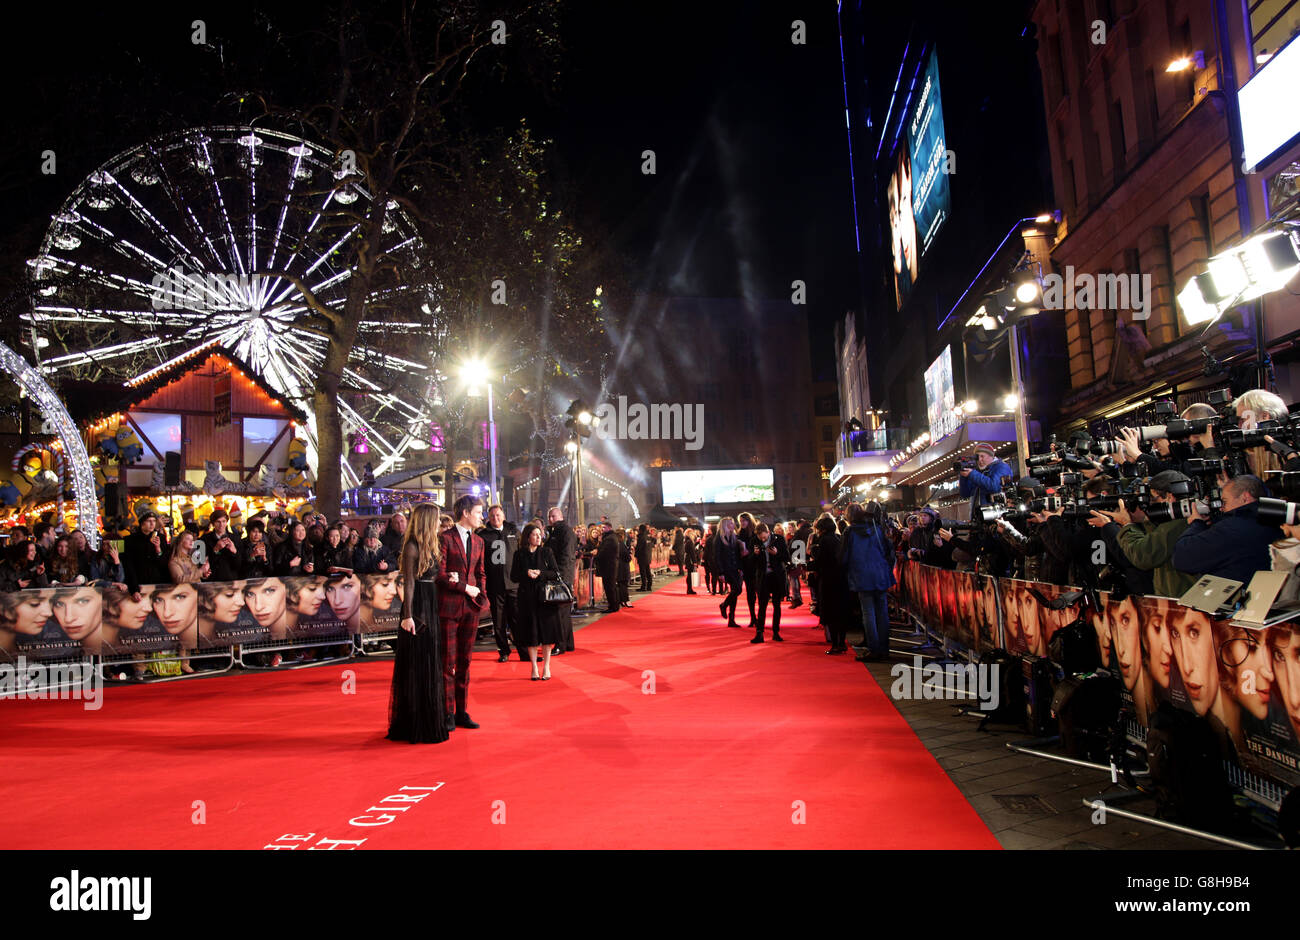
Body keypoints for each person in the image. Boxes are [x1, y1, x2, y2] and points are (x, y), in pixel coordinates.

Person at [389, 502, 448, 744]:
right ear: (426, 521)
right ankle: (416, 723)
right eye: (435, 519)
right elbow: (409, 583)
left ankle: (431, 718)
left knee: (432, 661)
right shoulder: (412, 546)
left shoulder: (433, 545)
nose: (439, 524)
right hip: (419, 606)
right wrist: (407, 615)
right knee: (419, 663)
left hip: (432, 602)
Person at [437, 495, 487, 732]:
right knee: (448, 663)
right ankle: (447, 713)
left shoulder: (479, 541)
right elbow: (440, 574)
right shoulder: (444, 538)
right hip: (449, 607)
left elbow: (481, 572)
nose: (481, 516)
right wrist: (464, 588)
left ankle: (461, 711)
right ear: (466, 513)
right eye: (478, 512)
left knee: (465, 662)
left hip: (471, 608)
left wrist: (481, 596)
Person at [1173, 474, 1277, 585]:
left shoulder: (1233, 529)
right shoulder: (1274, 518)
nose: (1222, 508)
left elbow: (1182, 558)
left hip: (1237, 597)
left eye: (1225, 501)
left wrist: (1196, 523)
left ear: (1245, 498)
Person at [1108, 470, 1197, 599]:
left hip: (1184, 602)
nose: (1149, 504)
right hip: (1178, 598)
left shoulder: (1179, 523)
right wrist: (1147, 519)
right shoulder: (1176, 520)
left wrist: (1126, 525)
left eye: (1153, 499)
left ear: (1169, 497)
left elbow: (1144, 555)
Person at [511, 522, 564, 680]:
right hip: (527, 599)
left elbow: (555, 573)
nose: (538, 537)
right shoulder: (519, 554)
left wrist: (540, 573)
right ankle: (534, 667)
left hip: (545, 598)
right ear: (527, 537)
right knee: (531, 634)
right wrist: (526, 573)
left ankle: (546, 666)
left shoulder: (547, 552)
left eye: (539, 534)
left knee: (547, 634)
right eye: (534, 534)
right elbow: (513, 576)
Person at [843, 502, 895, 658]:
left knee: (868, 614)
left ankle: (873, 648)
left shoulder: (850, 532)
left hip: (861, 575)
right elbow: (888, 551)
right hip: (880, 574)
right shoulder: (877, 529)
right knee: (882, 612)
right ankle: (884, 648)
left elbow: (844, 557)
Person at [477, 505, 517, 663]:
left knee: (517, 619)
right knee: (498, 621)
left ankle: (523, 650)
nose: (495, 518)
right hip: (495, 586)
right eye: (492, 516)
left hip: (514, 584)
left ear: (504, 515)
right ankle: (503, 651)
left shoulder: (514, 531)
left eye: (498, 515)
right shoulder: (482, 535)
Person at [809, 514, 852, 652]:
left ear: (822, 529)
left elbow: (821, 560)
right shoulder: (838, 538)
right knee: (841, 613)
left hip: (828, 580)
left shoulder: (824, 541)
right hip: (841, 580)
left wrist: (810, 562)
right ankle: (842, 642)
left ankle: (835, 644)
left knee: (830, 613)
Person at [545, 507, 577, 654]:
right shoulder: (558, 531)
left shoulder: (563, 532)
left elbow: (566, 556)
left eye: (553, 516)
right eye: (549, 516)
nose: (550, 519)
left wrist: (561, 576)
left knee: (560, 612)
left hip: (562, 577)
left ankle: (561, 644)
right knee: (563, 612)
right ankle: (568, 643)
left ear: (560, 516)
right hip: (562, 575)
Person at [752, 523, 788, 643]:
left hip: (776, 576)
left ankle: (776, 632)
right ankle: (759, 633)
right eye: (760, 538)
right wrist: (755, 554)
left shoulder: (779, 539)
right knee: (762, 605)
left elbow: (786, 557)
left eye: (764, 537)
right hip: (763, 576)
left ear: (768, 532)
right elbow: (750, 561)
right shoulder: (755, 541)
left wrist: (777, 553)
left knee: (777, 605)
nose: (762, 540)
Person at [957, 444, 1014, 517]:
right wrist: (963, 476)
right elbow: (965, 494)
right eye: (977, 457)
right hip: (979, 517)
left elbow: (995, 487)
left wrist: (972, 474)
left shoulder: (1002, 467)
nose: (980, 460)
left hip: (995, 515)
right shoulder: (977, 472)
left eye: (982, 456)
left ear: (991, 456)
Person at [714, 516, 743, 628]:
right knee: (737, 590)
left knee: (735, 592)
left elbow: (737, 554)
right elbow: (717, 556)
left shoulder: (734, 536)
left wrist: (740, 567)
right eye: (730, 523)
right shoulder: (719, 538)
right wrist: (720, 572)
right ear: (725, 525)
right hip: (726, 569)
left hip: (735, 568)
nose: (733, 525)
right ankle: (724, 605)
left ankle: (731, 619)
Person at [202, 509, 243, 582]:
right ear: (213, 523)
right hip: (212, 580)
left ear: (227, 522)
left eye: (224, 521)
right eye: (218, 522)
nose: (221, 525)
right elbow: (202, 564)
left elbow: (240, 565)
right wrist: (216, 550)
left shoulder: (235, 538)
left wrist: (234, 551)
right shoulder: (205, 539)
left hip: (231, 580)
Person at [595, 522, 620, 614]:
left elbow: (604, 552)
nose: (602, 529)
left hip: (608, 566)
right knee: (612, 586)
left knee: (609, 587)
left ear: (609, 528)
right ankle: (614, 605)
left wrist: (596, 555)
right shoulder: (611, 537)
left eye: (604, 527)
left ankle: (613, 606)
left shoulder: (609, 539)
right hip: (610, 566)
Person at [616, 527, 634, 608]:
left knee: (620, 585)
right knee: (623, 585)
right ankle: (625, 600)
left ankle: (621, 600)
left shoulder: (616, 543)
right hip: (622, 567)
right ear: (622, 536)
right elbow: (627, 557)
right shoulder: (621, 545)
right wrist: (630, 556)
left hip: (618, 567)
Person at [635, 522, 654, 592]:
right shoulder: (648, 537)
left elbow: (639, 547)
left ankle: (643, 586)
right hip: (648, 556)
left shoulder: (641, 537)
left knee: (643, 572)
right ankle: (649, 586)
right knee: (648, 571)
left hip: (642, 556)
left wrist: (636, 555)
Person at [682, 528, 699, 595]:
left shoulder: (687, 541)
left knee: (689, 575)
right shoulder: (689, 542)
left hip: (688, 559)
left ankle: (689, 589)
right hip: (690, 560)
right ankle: (689, 589)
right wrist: (695, 562)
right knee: (690, 575)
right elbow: (692, 553)